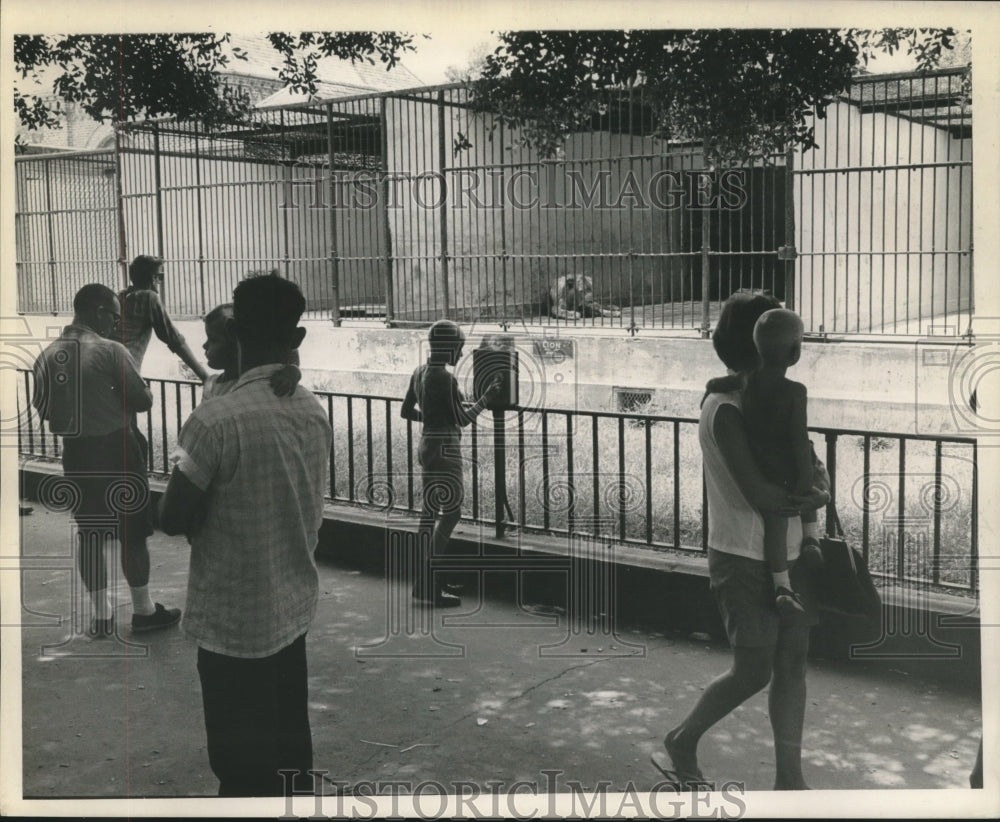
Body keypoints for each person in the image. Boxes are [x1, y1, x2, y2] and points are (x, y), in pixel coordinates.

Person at [158, 274, 331, 797]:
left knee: (239, 763)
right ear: (295, 340)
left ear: (233, 329)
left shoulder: (214, 421)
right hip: (291, 601)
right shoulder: (310, 409)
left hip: (234, 615)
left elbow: (172, 516)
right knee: (288, 738)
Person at [652, 292, 829, 791]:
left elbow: (805, 462)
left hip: (788, 551)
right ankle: (683, 739)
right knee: (753, 672)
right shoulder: (725, 409)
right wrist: (813, 497)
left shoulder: (769, 399)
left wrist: (814, 485)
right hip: (743, 556)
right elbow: (763, 494)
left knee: (792, 664)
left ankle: (789, 778)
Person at [32, 283, 182, 637]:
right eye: (114, 316)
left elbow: (43, 407)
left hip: (77, 453)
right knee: (132, 532)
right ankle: (144, 610)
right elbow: (142, 400)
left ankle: (101, 616)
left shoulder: (48, 355)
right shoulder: (110, 350)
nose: (117, 324)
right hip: (118, 447)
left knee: (90, 532)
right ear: (98, 311)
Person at [708, 308, 823, 616]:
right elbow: (800, 439)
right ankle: (812, 539)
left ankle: (781, 585)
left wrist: (710, 387)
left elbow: (715, 383)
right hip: (789, 466)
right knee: (808, 492)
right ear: (796, 352)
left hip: (763, 464)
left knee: (775, 521)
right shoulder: (796, 391)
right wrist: (806, 481)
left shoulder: (745, 383)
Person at [400, 320, 501, 607]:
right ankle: (427, 580)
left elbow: (407, 411)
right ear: (450, 347)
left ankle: (424, 578)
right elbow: (462, 420)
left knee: (428, 513)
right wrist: (486, 399)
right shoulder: (445, 378)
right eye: (459, 348)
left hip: (427, 444)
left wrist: (433, 421)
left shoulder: (419, 372)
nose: (460, 354)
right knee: (452, 512)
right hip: (446, 449)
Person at [118, 255, 208, 380]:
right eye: (160, 276)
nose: (160, 281)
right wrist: (204, 376)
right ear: (153, 278)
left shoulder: (122, 296)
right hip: (125, 369)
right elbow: (174, 339)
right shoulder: (148, 297)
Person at [201, 302, 301, 401]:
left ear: (238, 346)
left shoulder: (260, 383)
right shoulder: (211, 384)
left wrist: (293, 371)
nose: (204, 345)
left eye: (213, 339)